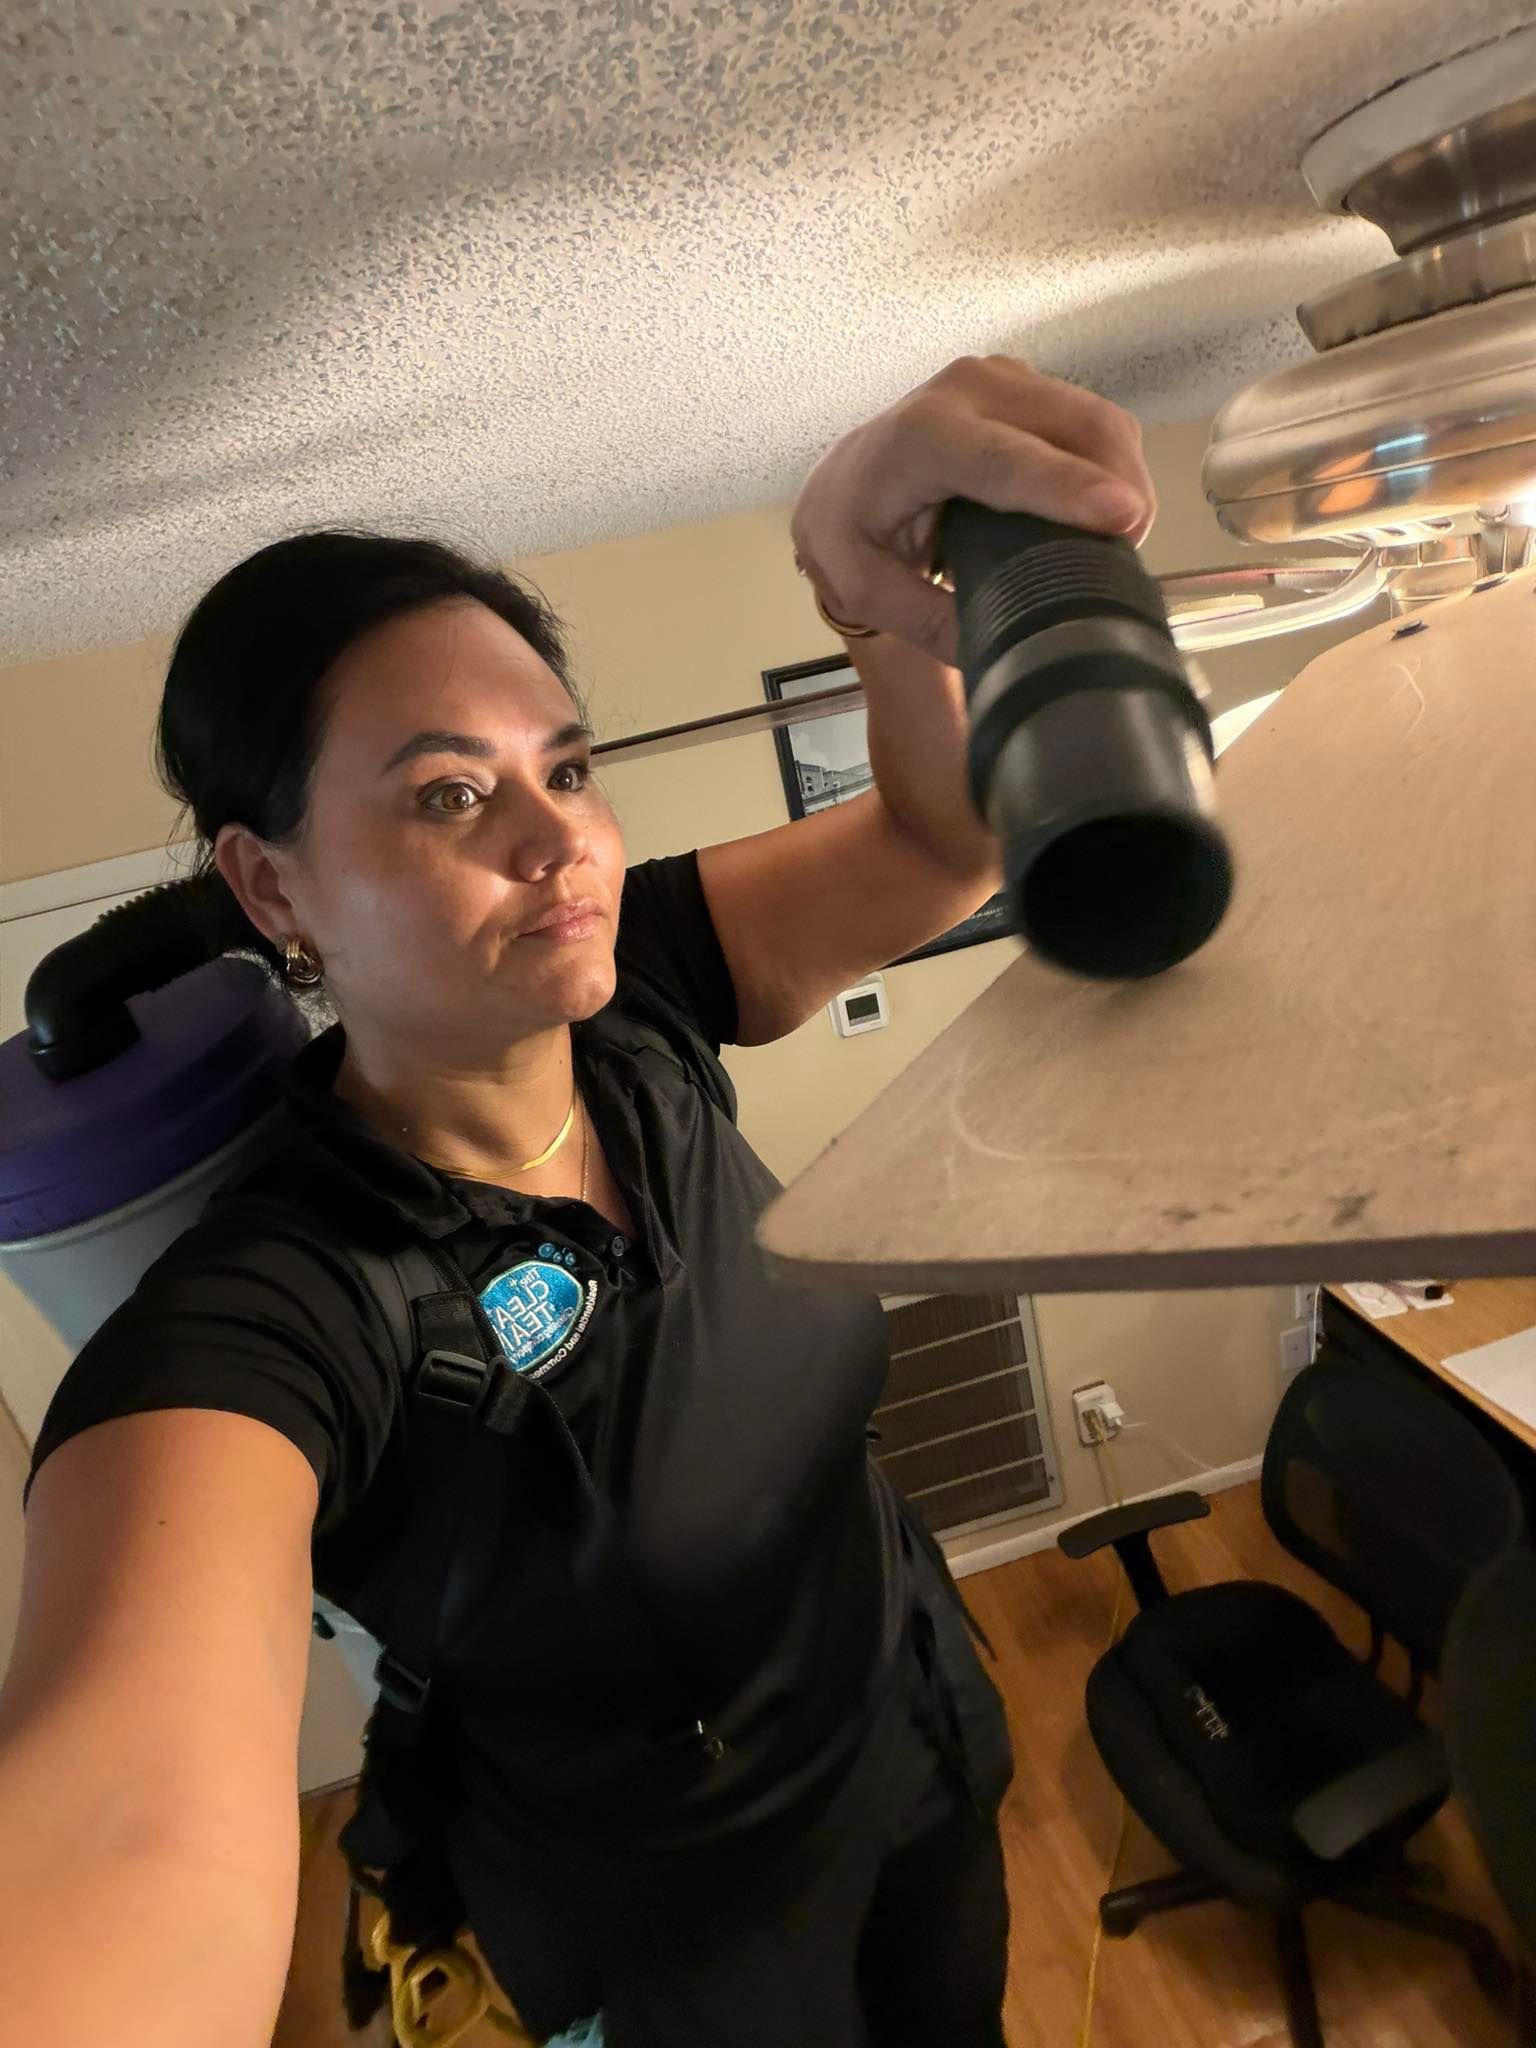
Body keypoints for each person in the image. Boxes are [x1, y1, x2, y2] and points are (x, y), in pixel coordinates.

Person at [0, 355, 1154, 2048]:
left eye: (569, 765)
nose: (564, 846)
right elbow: (127, 1841)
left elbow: (941, 838)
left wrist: (865, 582)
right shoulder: (282, 1311)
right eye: (450, 794)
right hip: (681, 1954)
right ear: (270, 885)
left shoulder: (636, 1005)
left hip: (913, 1740)